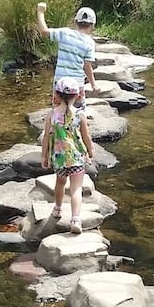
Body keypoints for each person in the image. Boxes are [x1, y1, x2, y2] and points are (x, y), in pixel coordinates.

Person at [41, 76, 94, 233]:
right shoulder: (80, 115)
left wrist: (44, 156)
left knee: (60, 183)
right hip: (76, 158)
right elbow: (86, 136)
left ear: (56, 95)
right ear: (77, 96)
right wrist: (90, 151)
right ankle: (76, 219)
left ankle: (57, 209)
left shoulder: (52, 115)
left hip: (59, 158)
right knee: (76, 189)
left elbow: (46, 136)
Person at [36, 3, 98, 110]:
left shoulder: (64, 33)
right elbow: (87, 67)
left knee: (58, 111)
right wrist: (93, 85)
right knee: (78, 113)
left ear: (75, 22)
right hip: (77, 83)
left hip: (60, 81)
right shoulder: (90, 43)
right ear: (92, 26)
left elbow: (44, 31)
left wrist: (40, 12)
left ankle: (57, 126)